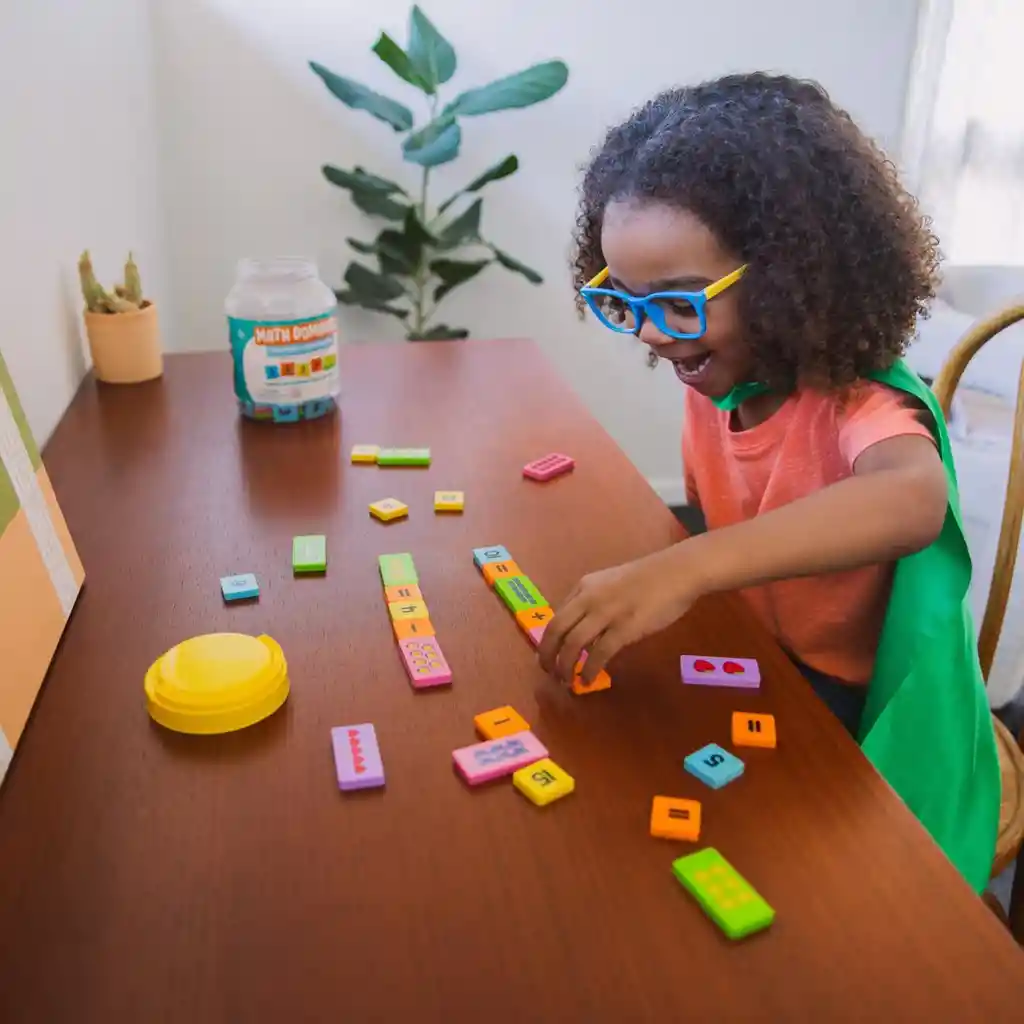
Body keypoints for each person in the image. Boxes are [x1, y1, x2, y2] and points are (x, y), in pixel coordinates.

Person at [538, 73, 1000, 892]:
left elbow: (911, 498)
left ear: (790, 274)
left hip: (857, 713)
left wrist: (683, 568)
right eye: (624, 300)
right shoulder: (719, 370)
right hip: (764, 660)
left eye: (678, 303)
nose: (650, 333)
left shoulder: (862, 400)